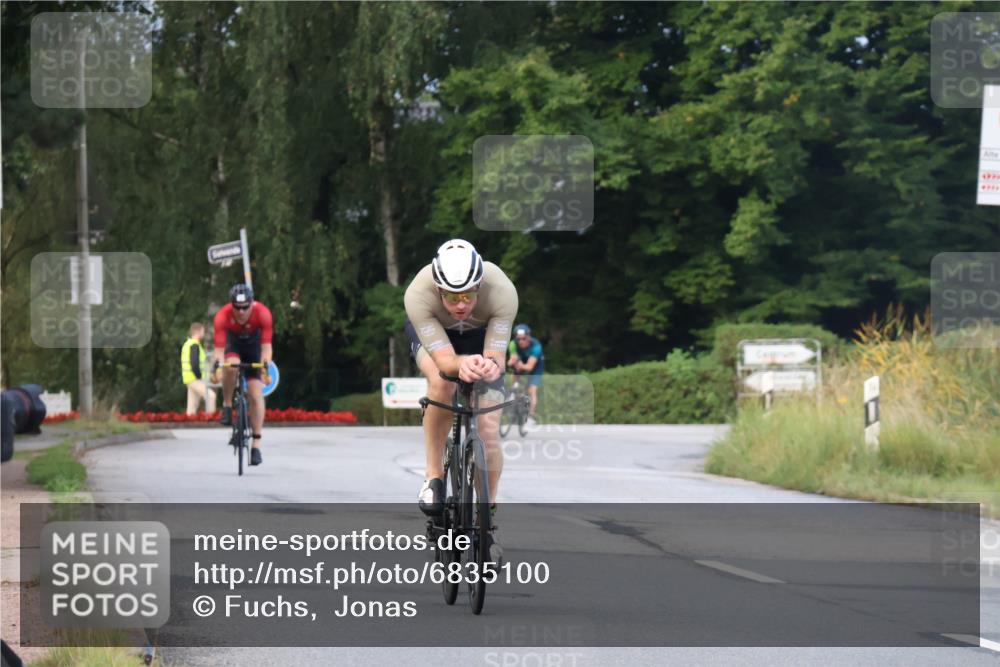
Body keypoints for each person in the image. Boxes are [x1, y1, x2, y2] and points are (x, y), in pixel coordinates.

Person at [403, 239, 517, 536]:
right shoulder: (418, 294)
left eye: (467, 295)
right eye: (452, 297)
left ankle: (487, 511)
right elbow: (445, 362)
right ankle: (433, 477)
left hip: (480, 338)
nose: (461, 305)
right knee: (442, 382)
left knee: (489, 430)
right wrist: (459, 365)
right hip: (438, 340)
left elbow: (497, 357)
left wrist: (490, 365)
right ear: (438, 290)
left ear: (479, 285)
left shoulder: (502, 291)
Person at [211, 284, 273, 466]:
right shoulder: (222, 316)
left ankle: (256, 445)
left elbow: (267, 347)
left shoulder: (262, 314)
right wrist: (217, 366)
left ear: (251, 304)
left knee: (255, 394)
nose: (241, 311)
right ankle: (228, 405)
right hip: (233, 344)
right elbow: (219, 350)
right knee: (231, 366)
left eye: (245, 307)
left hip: (254, 347)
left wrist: (265, 365)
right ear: (231, 305)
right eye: (237, 307)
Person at [507, 323, 544, 425]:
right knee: (514, 372)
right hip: (521, 363)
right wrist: (512, 363)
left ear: (528, 337)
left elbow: (529, 367)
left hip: (535, 367)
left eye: (524, 338)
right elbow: (512, 360)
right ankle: (514, 391)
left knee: (531, 390)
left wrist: (518, 364)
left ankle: (531, 417)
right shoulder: (513, 344)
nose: (521, 341)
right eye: (519, 339)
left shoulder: (536, 346)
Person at [181, 323, 216, 416]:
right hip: (195, 378)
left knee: (192, 406)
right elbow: (195, 363)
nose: (203, 333)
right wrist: (199, 376)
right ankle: (211, 419)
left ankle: (188, 425)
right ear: (198, 331)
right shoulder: (194, 345)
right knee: (211, 396)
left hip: (189, 378)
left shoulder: (188, 344)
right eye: (203, 331)